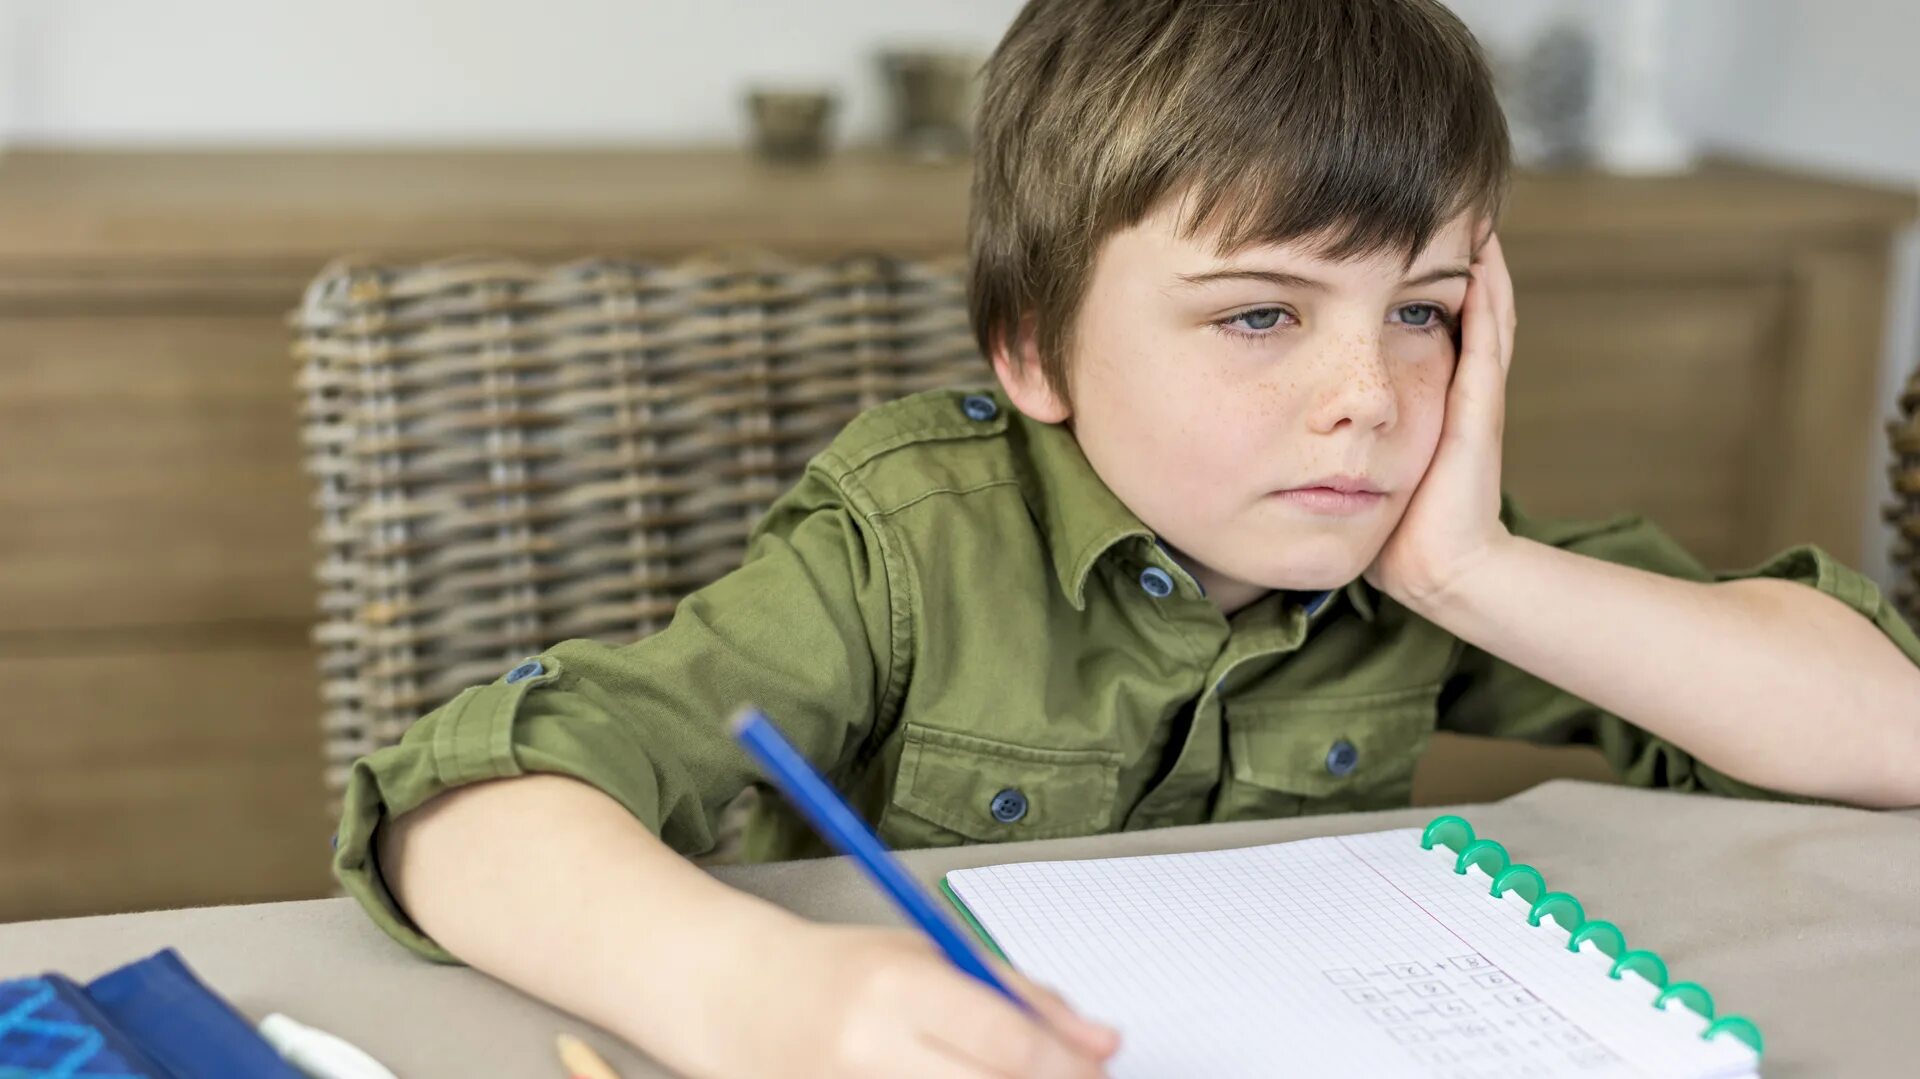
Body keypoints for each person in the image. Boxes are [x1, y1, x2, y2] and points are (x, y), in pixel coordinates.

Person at [333, 1, 1920, 1075]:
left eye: (1425, 313)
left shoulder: (1418, 557)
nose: (1366, 399)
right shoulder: (907, 545)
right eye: (1258, 312)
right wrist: (760, 1000)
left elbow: (1888, 732)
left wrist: (1473, 573)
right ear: (1033, 348)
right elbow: (457, 812)